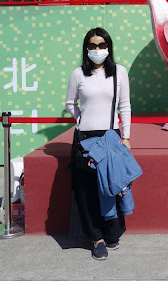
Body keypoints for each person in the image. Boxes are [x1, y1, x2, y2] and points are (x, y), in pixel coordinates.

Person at [65, 27, 131, 260]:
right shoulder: (78, 74)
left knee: (111, 186)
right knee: (86, 189)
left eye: (102, 45)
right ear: (86, 48)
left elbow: (125, 105)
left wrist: (126, 137)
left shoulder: (119, 72)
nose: (97, 49)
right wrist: (80, 118)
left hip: (109, 135)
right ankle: (96, 238)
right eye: (92, 45)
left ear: (108, 47)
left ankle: (112, 232)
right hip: (84, 138)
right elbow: (70, 103)